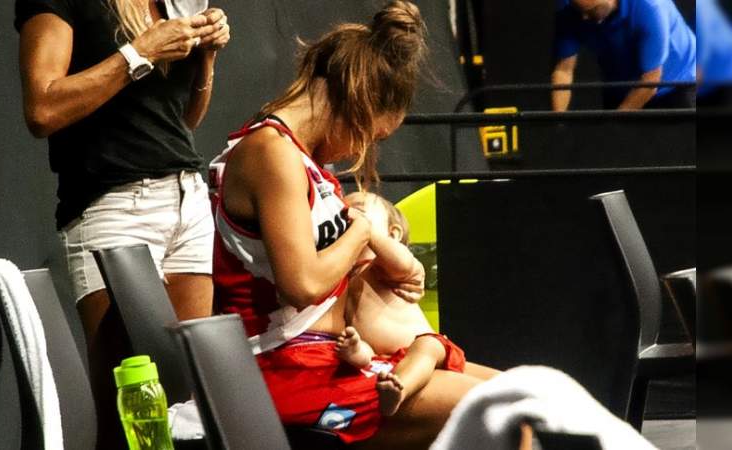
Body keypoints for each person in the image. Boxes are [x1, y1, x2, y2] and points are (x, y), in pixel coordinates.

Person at [208, 2, 530, 448]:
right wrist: (360, 230)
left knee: (529, 399)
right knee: (508, 418)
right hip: (286, 371)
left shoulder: (303, 159)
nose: (356, 153)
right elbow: (301, 285)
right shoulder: (272, 152)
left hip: (329, 359)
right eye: (372, 137)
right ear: (357, 102)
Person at [15, 0, 229, 447]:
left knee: (184, 404)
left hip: (186, 200)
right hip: (115, 206)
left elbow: (181, 121)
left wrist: (205, 58)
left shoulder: (166, 1)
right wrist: (139, 53)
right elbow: (42, 108)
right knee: (128, 405)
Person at [337, 192, 501, 417]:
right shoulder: (341, 279)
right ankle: (392, 390)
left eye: (360, 210)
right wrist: (355, 350)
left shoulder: (383, 267)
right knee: (358, 349)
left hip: (428, 347)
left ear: (393, 233)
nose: (348, 214)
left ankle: (400, 390)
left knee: (427, 348)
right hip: (382, 360)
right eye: (342, 211)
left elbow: (402, 262)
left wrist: (366, 231)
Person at [551, 0, 696, 110]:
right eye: (579, 10)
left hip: (676, 83)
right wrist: (558, 120)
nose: (583, 18)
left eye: (592, 11)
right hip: (621, 85)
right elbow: (563, 70)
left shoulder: (650, 8)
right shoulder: (571, 9)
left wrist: (613, 125)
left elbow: (650, 82)